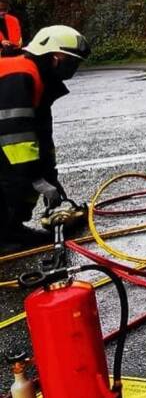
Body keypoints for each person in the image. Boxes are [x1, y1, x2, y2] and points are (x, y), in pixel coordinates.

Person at [0, 26, 90, 249]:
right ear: (53, 57)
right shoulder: (20, 73)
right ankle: (4, 236)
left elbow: (41, 133)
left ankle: (13, 228)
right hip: (6, 135)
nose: (73, 68)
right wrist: (34, 175)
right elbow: (15, 133)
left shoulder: (41, 79)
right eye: (70, 61)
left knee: (29, 174)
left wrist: (50, 174)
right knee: (15, 177)